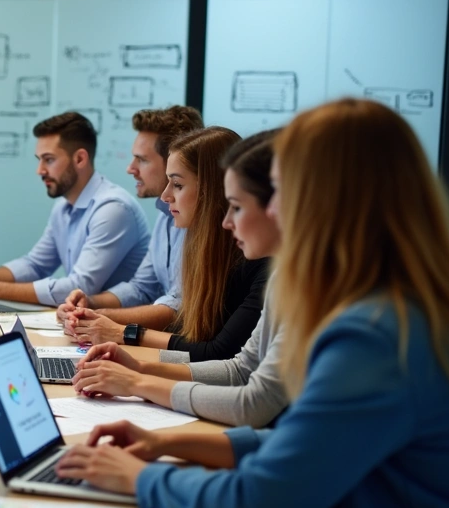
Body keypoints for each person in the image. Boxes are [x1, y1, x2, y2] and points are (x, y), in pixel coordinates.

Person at [56, 99, 449, 508]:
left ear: (324, 201)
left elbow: (256, 503)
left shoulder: (374, 335)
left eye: (280, 192)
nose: (264, 209)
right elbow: (307, 443)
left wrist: (138, 479)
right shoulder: (382, 301)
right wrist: (166, 442)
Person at [68, 130, 288, 427]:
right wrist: (138, 368)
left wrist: (137, 378)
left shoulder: (276, 271)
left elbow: (246, 389)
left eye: (236, 206)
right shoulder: (273, 275)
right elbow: (238, 370)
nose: (226, 221)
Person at [0, 112, 148, 306]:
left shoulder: (113, 209)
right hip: (86, 322)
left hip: (122, 328)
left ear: (80, 159)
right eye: (39, 161)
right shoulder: (63, 207)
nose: (40, 171)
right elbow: (35, 265)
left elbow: (80, 286)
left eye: (49, 160)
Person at [56, 106, 204, 331]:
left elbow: (178, 308)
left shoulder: (199, 222)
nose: (130, 169)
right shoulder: (165, 215)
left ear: (173, 162)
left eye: (142, 160)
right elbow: (141, 288)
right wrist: (90, 303)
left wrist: (100, 316)